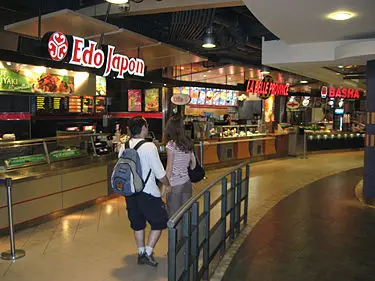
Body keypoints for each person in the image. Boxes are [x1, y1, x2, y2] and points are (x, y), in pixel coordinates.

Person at [118, 117, 170, 267]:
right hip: (148, 192)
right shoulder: (149, 147)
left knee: (137, 223)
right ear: (143, 128)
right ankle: (148, 252)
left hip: (131, 192)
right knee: (159, 221)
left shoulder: (124, 145)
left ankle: (140, 252)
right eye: (146, 126)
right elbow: (160, 173)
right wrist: (167, 184)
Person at [165, 115, 196, 218]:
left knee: (175, 217)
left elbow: (169, 168)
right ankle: (186, 234)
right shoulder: (188, 142)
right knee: (186, 214)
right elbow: (193, 164)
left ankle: (177, 235)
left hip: (175, 185)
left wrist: (164, 187)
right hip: (187, 182)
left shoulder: (171, 145)